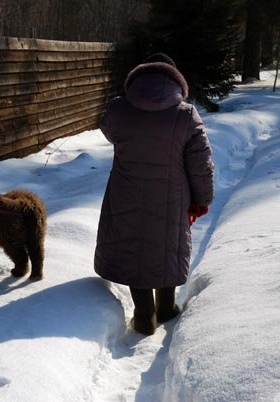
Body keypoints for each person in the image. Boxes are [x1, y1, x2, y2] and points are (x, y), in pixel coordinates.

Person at [94, 53, 214, 336]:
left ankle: (144, 313)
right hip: (172, 195)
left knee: (135, 247)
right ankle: (167, 307)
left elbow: (108, 130)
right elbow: (201, 162)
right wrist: (203, 198)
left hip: (126, 192)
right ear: (176, 81)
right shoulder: (185, 115)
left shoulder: (119, 110)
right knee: (165, 248)